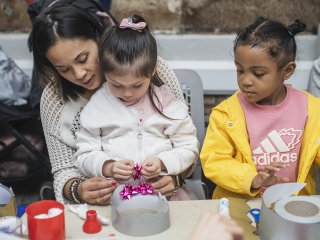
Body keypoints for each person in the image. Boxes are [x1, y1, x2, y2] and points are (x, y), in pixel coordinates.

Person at [31, 2, 194, 205]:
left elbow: (186, 145)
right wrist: (78, 190)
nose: (79, 74)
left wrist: (174, 177)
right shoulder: (56, 100)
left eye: (83, 59)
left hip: (163, 199)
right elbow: (64, 170)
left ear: (100, 38)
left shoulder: (150, 67)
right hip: (105, 206)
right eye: (64, 69)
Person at [75, 15, 199, 200]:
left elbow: (189, 147)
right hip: (115, 199)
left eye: (137, 85)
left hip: (164, 196)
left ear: (152, 72)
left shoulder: (166, 104)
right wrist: (107, 166)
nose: (127, 93)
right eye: (116, 85)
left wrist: (163, 163)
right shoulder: (97, 107)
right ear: (104, 73)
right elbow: (83, 155)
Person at [200, 17, 320, 199]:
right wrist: (252, 179)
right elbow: (214, 160)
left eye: (258, 73)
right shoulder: (226, 114)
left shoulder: (311, 109)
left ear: (287, 71)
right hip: (241, 208)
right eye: (240, 70)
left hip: (293, 207)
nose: (246, 81)